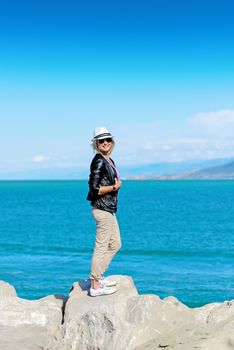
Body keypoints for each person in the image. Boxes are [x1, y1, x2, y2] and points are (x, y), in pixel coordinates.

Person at [87, 126, 122, 297]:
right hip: (102, 209)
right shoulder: (99, 161)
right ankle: (95, 285)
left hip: (108, 208)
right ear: (96, 143)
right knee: (101, 247)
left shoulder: (108, 159)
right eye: (101, 140)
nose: (105, 143)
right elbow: (94, 188)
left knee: (116, 244)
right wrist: (114, 187)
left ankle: (97, 276)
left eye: (108, 140)